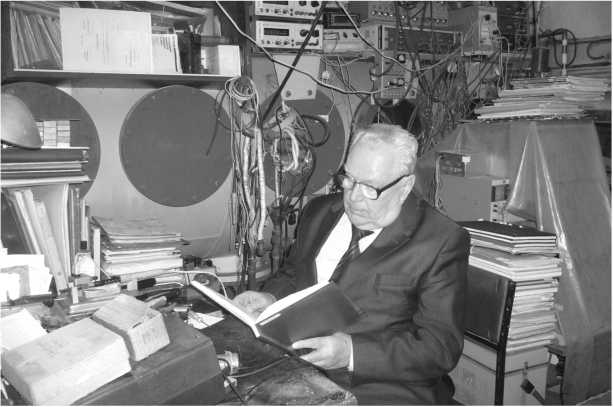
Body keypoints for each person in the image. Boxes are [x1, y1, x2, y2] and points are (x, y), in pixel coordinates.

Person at [234, 123, 470, 405]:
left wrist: (352, 353)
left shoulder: (439, 240)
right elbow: (294, 273)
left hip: (381, 387)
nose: (354, 197)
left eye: (370, 187)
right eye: (349, 179)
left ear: (405, 185)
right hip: (297, 366)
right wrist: (270, 298)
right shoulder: (319, 211)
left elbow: (440, 348)